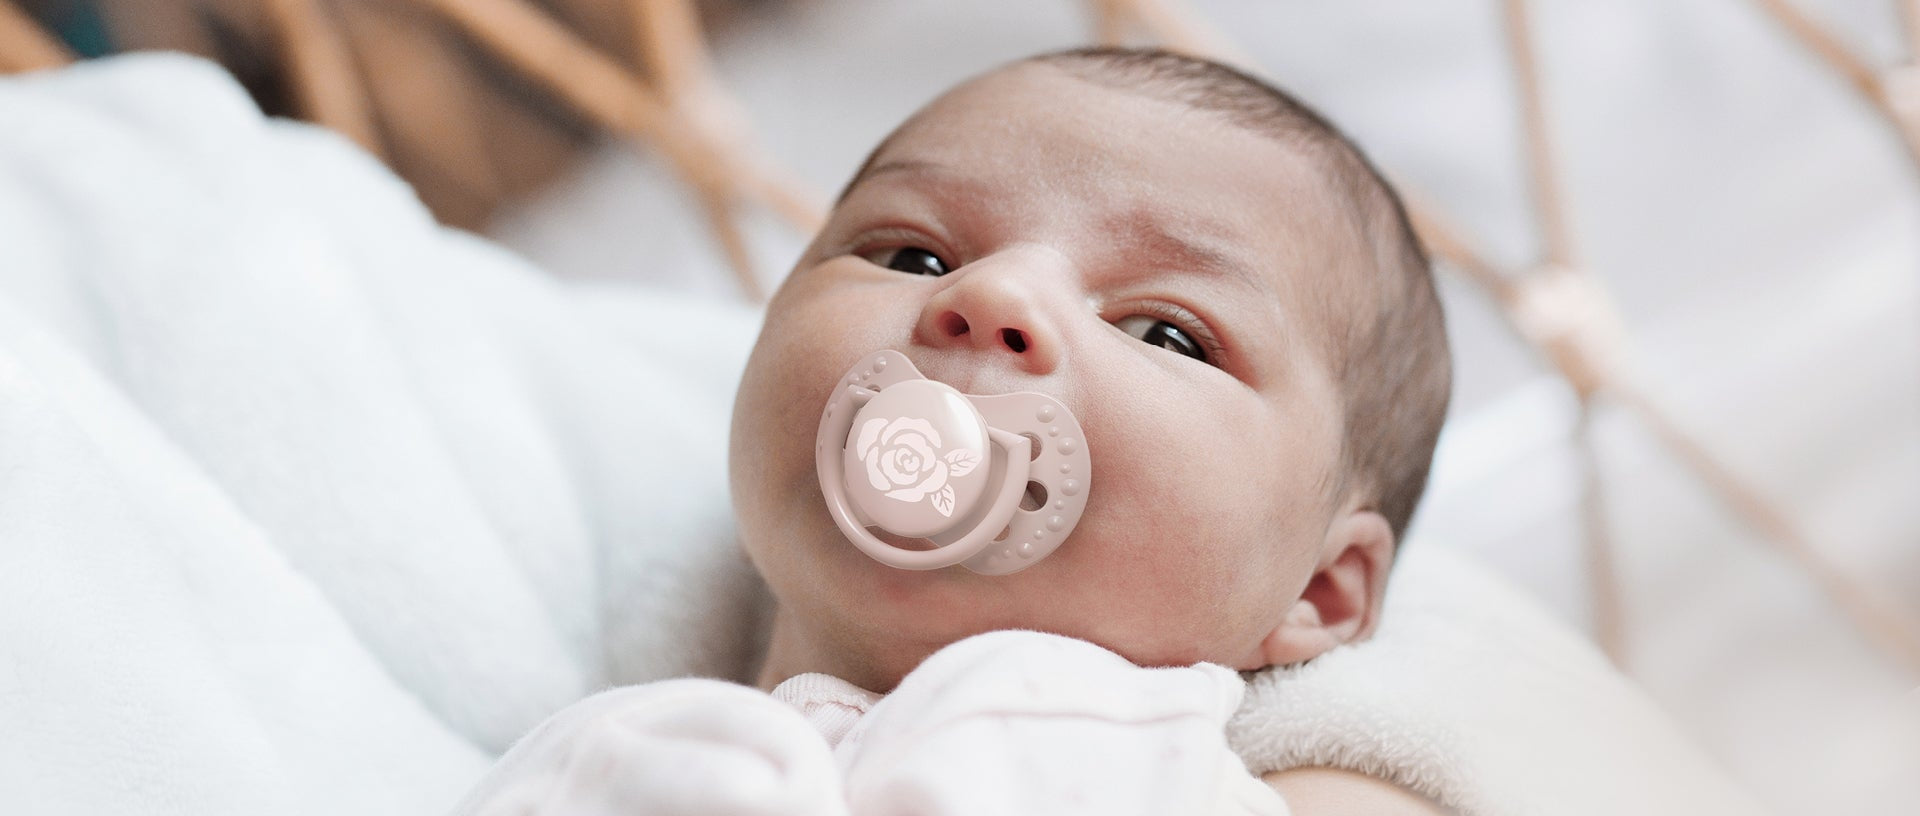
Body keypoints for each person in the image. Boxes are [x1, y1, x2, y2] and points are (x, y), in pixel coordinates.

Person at [457, 47, 1453, 815]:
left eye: (1166, 332)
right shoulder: (602, 762)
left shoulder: (1184, 774)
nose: (994, 293)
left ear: (1317, 587)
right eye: (914, 257)